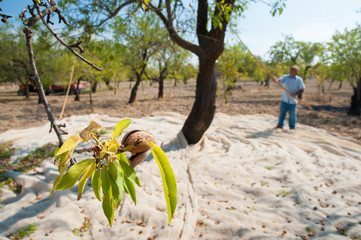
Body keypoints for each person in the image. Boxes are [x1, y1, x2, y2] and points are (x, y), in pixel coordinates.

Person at [272, 65, 305, 130]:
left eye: (293, 71)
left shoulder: (299, 80)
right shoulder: (285, 77)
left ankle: (292, 128)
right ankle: (280, 125)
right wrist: (276, 80)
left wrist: (295, 94)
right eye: (291, 70)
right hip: (284, 100)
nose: (292, 72)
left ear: (297, 72)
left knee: (292, 116)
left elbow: (302, 89)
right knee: (281, 114)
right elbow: (279, 81)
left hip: (293, 101)